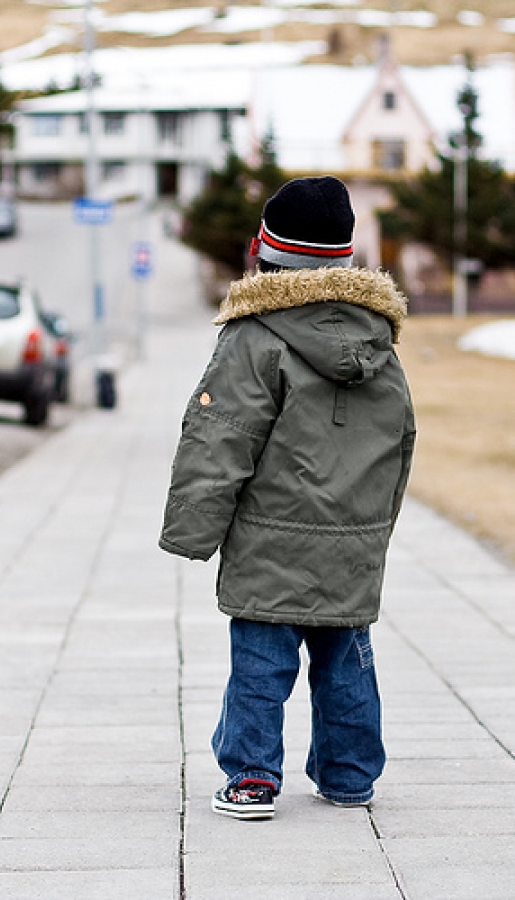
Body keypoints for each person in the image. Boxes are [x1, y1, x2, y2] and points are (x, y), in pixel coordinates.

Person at [159, 176, 416, 820]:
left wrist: (192, 531)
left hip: (270, 541)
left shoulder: (254, 338)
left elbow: (221, 438)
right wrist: (375, 525)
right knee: (347, 663)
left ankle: (251, 777)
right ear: (346, 256)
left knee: (261, 664)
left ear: (265, 251)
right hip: (352, 541)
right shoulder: (380, 344)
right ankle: (350, 775)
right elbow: (400, 442)